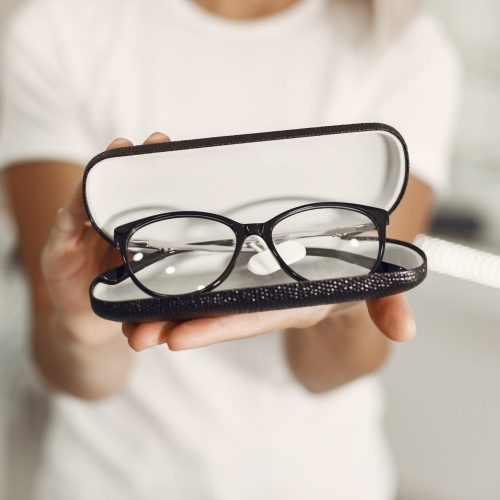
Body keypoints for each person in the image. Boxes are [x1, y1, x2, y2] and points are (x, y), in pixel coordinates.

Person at [0, 0, 460, 498]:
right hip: (108, 480)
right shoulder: (59, 28)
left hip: (321, 481)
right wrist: (80, 333)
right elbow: (73, 367)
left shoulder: (406, 47)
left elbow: (333, 370)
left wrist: (344, 305)